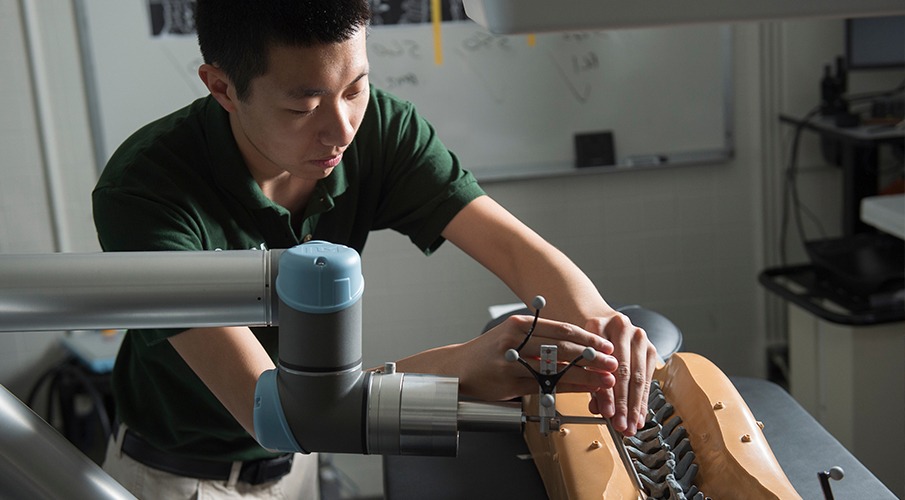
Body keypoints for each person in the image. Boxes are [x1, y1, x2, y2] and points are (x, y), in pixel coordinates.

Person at [92, 1, 658, 498]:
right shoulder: (145, 193)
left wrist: (599, 324)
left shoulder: (381, 128)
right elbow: (272, 410)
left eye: (355, 87)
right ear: (222, 87)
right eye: (302, 107)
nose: (341, 129)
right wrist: (460, 369)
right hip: (179, 481)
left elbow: (515, 252)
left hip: (298, 464)